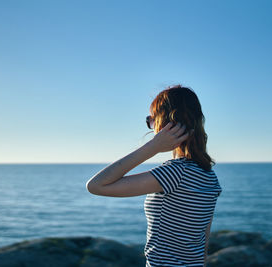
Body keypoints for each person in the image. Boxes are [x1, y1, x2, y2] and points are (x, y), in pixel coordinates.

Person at [86, 84, 222, 267]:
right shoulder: (207, 174)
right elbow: (203, 241)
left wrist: (153, 147)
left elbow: (96, 185)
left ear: (165, 122)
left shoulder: (176, 172)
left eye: (152, 119)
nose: (151, 125)